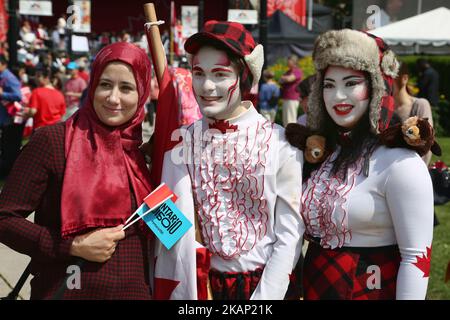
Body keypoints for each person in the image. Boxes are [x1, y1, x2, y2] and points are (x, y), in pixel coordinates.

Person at [154, 20, 304, 300]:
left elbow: (290, 234)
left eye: (220, 74)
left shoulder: (281, 143)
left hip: (266, 285)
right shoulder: (180, 141)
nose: (207, 85)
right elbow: (165, 218)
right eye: (198, 73)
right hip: (199, 285)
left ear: (244, 76)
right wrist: (187, 276)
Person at [286, 29, 434, 299]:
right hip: (315, 288)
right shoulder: (320, 154)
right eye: (329, 85)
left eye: (351, 83)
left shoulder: (401, 163)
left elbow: (417, 259)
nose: (338, 96)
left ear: (377, 87)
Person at [0, 42, 154, 299]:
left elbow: (163, 230)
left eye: (126, 88)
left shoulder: (141, 154)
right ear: (92, 86)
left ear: (142, 94)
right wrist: (72, 246)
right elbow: (4, 219)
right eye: (105, 84)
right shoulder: (52, 141)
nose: (113, 98)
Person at [393, 62, 434, 165]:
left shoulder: (419, 105)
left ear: (404, 79)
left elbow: (427, 145)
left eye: (390, 78)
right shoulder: (382, 108)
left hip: (413, 172)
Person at [0, 55, 23, 179]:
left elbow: (18, 95)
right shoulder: (3, 77)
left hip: (11, 118)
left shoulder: (9, 77)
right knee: (4, 145)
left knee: (8, 147)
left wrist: (3, 94)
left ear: (3, 64)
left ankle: (7, 172)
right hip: (4, 117)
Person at [280, 54, 302, 126]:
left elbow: (289, 79)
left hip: (292, 98)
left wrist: (284, 78)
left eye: (289, 60)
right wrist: (284, 78)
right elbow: (281, 80)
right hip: (286, 97)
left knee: (291, 119)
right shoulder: (288, 72)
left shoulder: (297, 71)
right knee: (285, 120)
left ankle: (292, 136)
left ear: (294, 61)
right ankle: (286, 135)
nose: (287, 62)